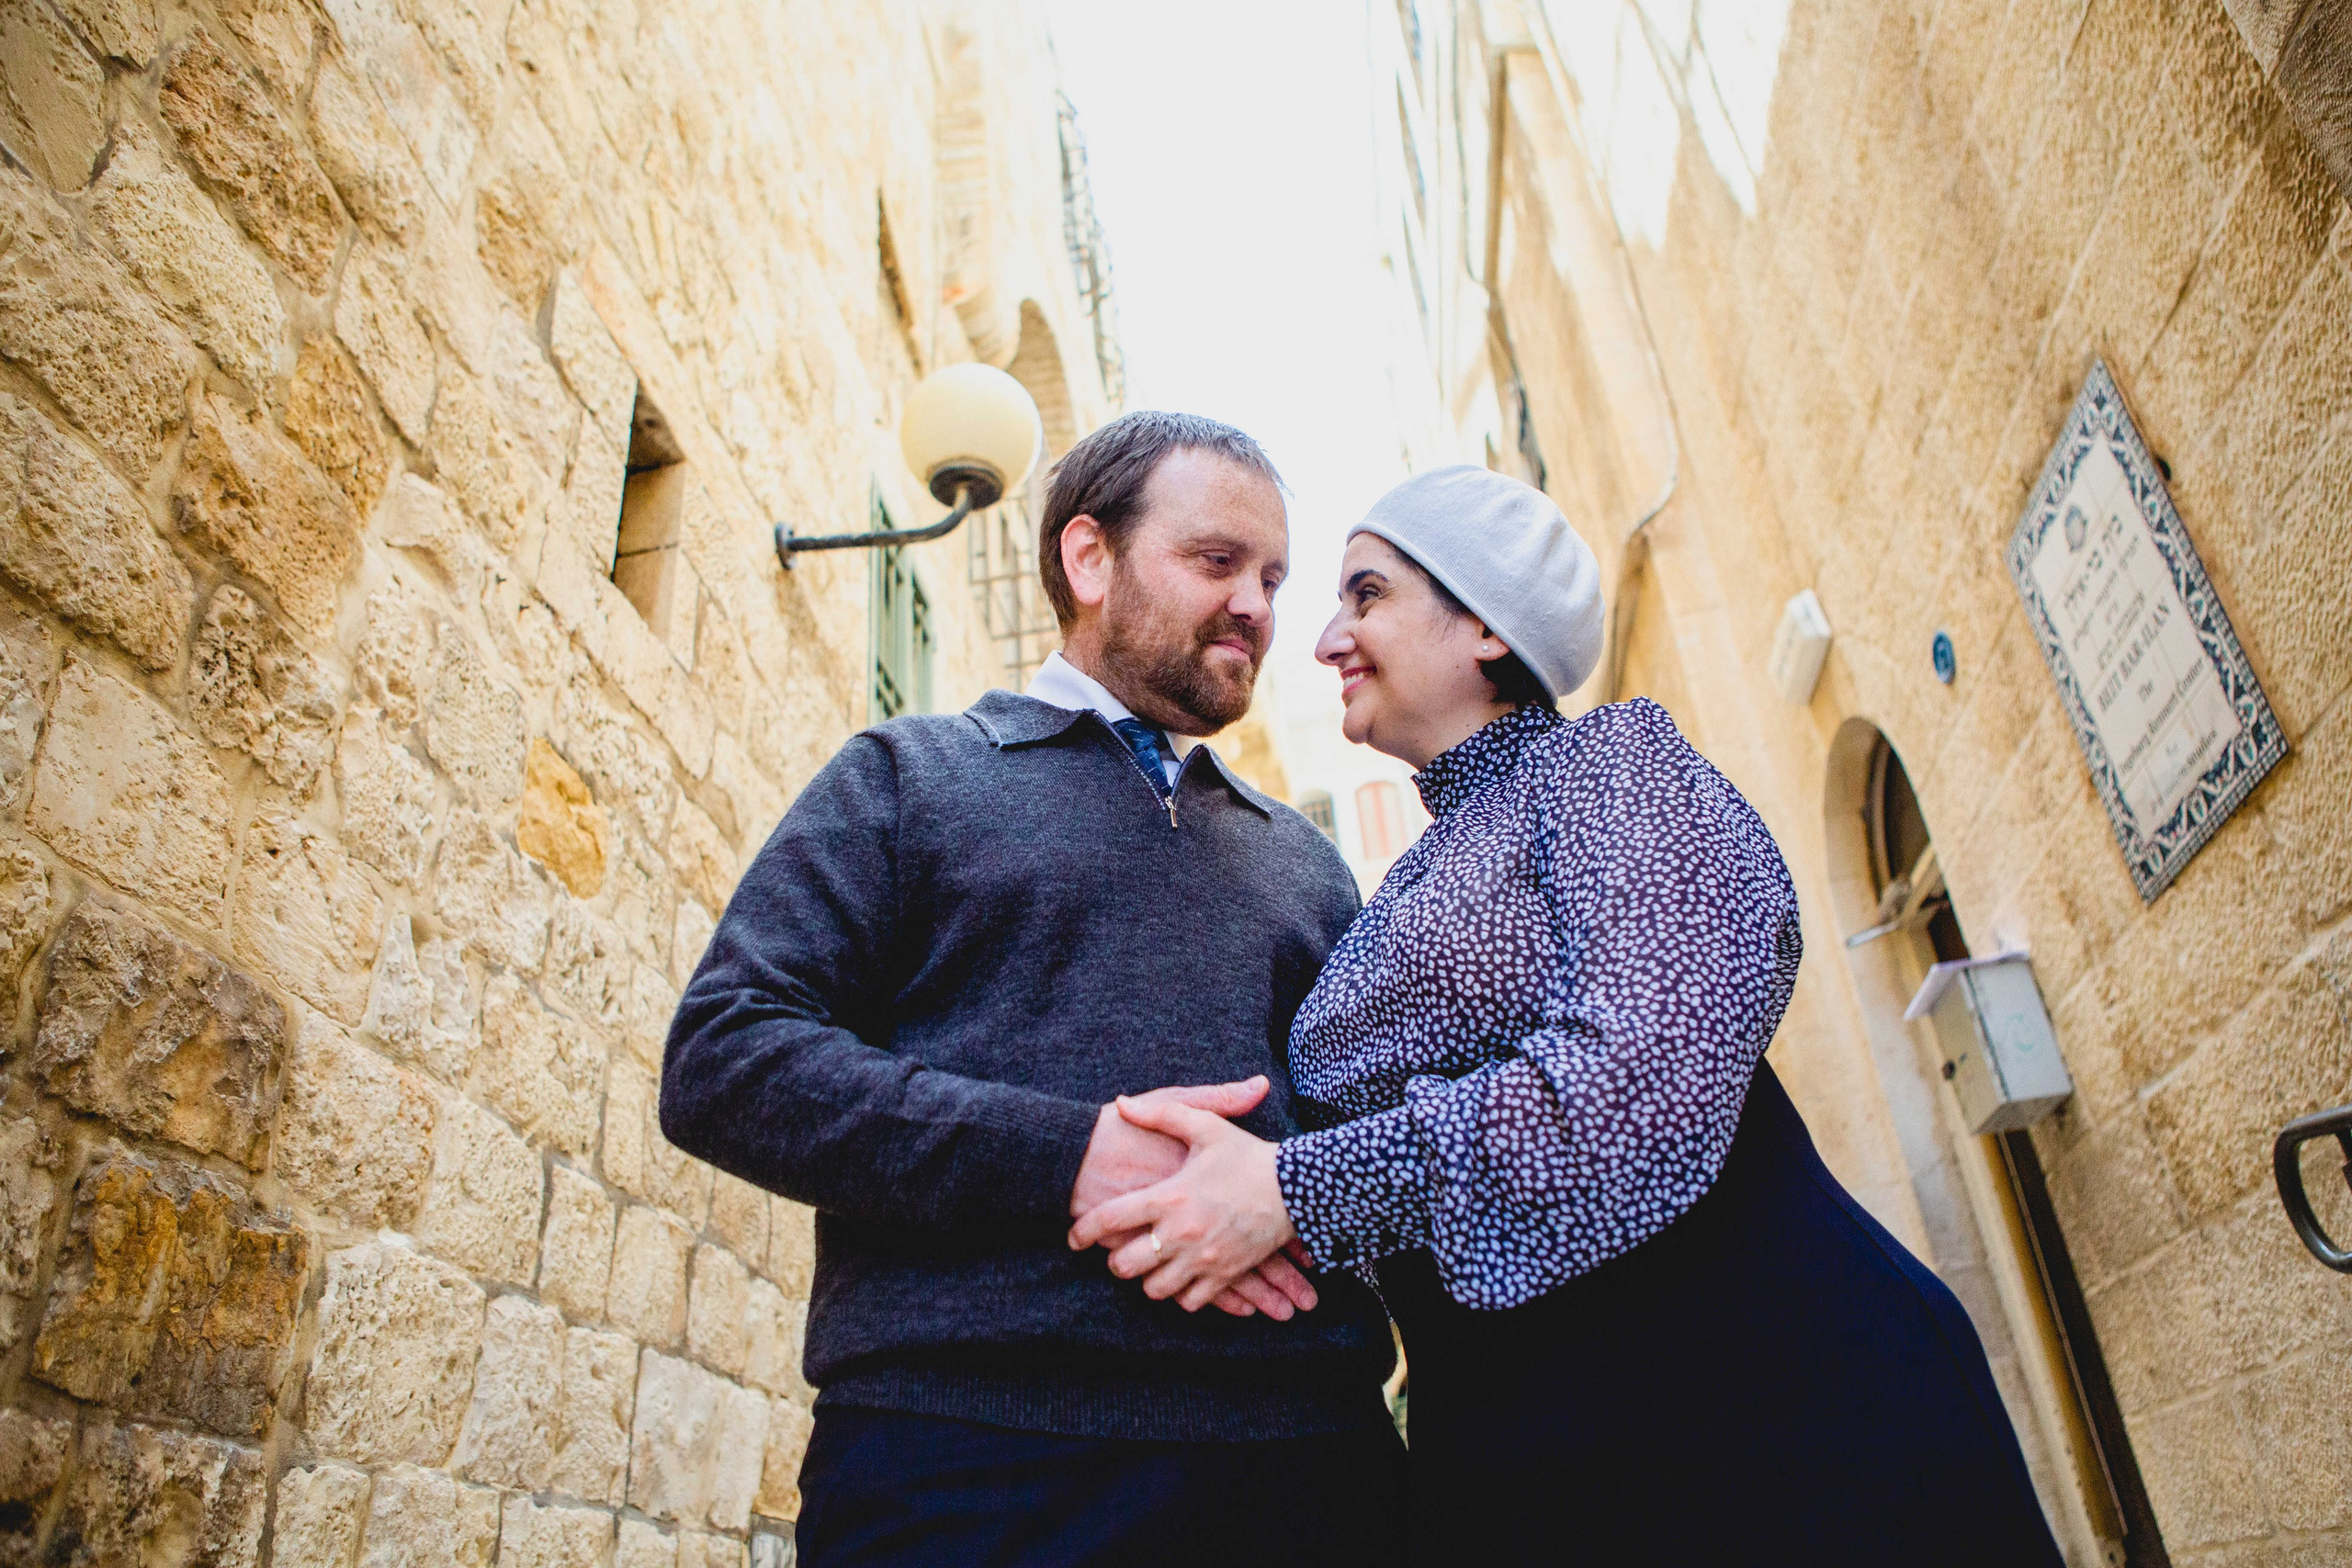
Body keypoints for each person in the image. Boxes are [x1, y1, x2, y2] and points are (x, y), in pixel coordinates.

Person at [1072, 466, 2067, 1564]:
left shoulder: (1608, 765)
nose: (1322, 639)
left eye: (1366, 594)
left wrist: (1294, 1191)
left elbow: (1648, 1071)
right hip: (1515, 1456)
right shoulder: (1396, 887)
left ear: (1486, 627)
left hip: (1759, 1401)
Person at [661, 412, 1404, 1567]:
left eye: (1273, 576)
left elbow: (1389, 1142)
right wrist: (1066, 1159)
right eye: (1217, 563)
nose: (1260, 606)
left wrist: (1297, 1191)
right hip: (961, 1466)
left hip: (1309, 1466)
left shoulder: (1307, 863)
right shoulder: (907, 780)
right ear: (1088, 557)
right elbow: (725, 1059)